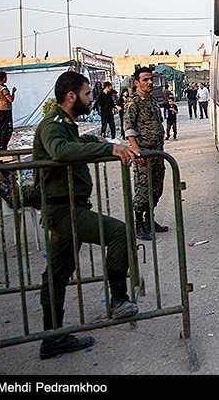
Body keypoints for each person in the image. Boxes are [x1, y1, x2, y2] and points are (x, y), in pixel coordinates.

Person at [33, 71, 140, 360]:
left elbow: (74, 142)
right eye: (87, 94)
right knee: (120, 233)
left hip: (69, 207)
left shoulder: (66, 124)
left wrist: (97, 140)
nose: (91, 99)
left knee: (57, 273)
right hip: (64, 210)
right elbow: (61, 150)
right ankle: (118, 299)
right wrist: (108, 147)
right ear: (71, 97)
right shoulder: (53, 125)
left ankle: (51, 337)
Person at [124, 66, 169, 241]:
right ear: (137, 83)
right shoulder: (133, 101)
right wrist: (136, 149)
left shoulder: (151, 100)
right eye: (145, 79)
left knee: (156, 188)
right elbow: (129, 127)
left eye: (150, 79)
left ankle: (150, 220)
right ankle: (139, 225)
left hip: (157, 152)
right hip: (144, 154)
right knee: (143, 190)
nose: (149, 82)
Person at [0, 71, 16, 150]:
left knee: (2, 129)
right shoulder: (3, 88)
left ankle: (1, 145)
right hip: (5, 110)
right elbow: (10, 99)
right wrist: (13, 93)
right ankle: (3, 146)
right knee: (7, 129)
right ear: (3, 78)